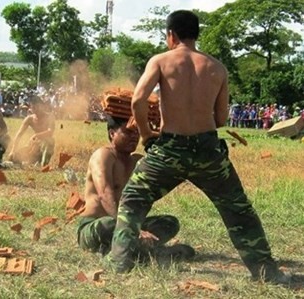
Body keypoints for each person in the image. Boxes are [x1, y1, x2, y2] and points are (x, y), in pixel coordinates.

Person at [105, 10, 289, 284]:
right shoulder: (217, 68)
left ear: (171, 35)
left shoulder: (160, 61)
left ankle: (120, 262)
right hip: (208, 150)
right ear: (196, 35)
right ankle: (266, 271)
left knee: (133, 200)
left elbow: (138, 101)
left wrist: (146, 134)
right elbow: (221, 118)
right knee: (238, 210)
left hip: (169, 149)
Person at [78, 116, 190, 261]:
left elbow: (169, 175)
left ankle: (132, 249)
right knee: (107, 224)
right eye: (128, 132)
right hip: (96, 226)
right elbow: (105, 194)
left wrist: (165, 142)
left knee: (170, 222)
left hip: (130, 225)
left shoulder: (138, 161)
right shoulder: (103, 155)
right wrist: (130, 228)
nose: (135, 136)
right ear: (112, 134)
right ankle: (139, 251)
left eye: (137, 132)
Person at [8, 95, 55, 167]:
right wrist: (12, 151)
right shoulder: (29, 119)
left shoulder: (50, 116)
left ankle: (43, 164)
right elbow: (19, 134)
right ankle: (33, 161)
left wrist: (36, 135)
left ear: (42, 106)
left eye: (38, 107)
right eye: (33, 107)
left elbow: (50, 132)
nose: (36, 109)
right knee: (13, 157)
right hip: (34, 146)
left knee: (49, 141)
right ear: (30, 108)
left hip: (46, 144)